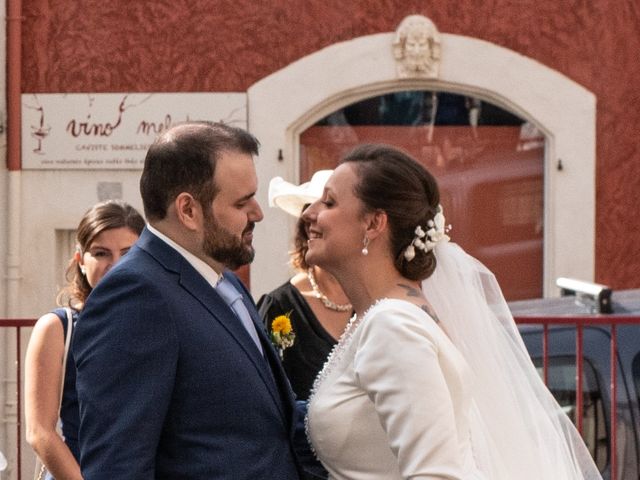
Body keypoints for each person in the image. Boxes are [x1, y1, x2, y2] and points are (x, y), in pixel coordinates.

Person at [303, 144, 603, 479]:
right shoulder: (388, 315)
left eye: (328, 202)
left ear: (373, 223)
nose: (308, 213)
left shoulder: (393, 326)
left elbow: (435, 474)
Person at [72, 121, 312, 479]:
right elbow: (117, 465)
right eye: (242, 202)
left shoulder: (225, 281)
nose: (257, 213)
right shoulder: (135, 296)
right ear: (188, 210)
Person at [24, 200, 145, 480]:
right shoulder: (57, 328)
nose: (115, 265)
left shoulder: (162, 323)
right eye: (101, 253)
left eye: (128, 253)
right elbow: (39, 431)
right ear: (80, 260)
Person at [258, 171, 352, 400]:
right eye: (310, 210)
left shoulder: (375, 299)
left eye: (328, 207)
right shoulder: (279, 308)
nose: (313, 217)